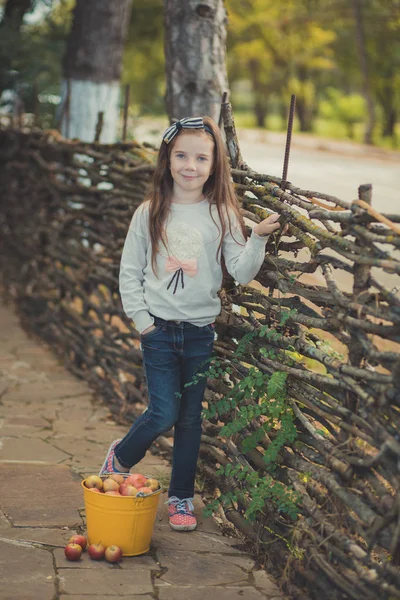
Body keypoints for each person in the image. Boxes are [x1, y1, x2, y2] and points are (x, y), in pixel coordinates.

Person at [99, 115, 286, 531]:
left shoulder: (221, 214)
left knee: (190, 420)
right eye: (181, 155)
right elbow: (130, 271)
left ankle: (181, 498)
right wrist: (143, 321)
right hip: (159, 332)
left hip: (200, 333)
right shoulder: (150, 212)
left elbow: (240, 272)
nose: (190, 165)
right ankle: (122, 456)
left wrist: (256, 237)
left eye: (201, 157)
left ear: (215, 163)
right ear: (167, 160)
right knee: (164, 411)